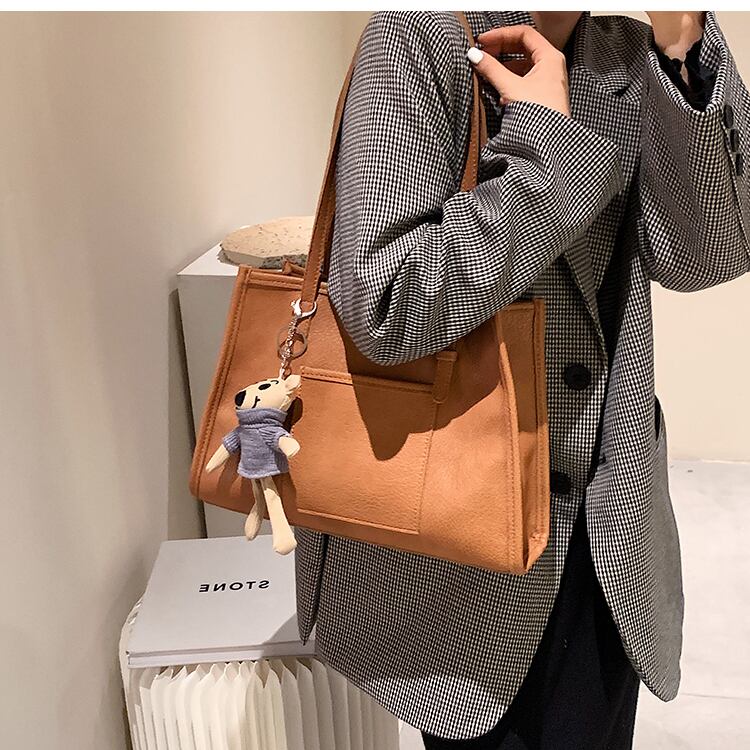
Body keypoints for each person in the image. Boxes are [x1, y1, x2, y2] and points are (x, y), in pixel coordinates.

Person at [292, 10, 750, 749]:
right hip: (462, 551)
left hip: (612, 533)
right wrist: (551, 158)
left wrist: (683, 47)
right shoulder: (417, 38)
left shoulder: (629, 53)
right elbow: (386, 306)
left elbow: (707, 255)